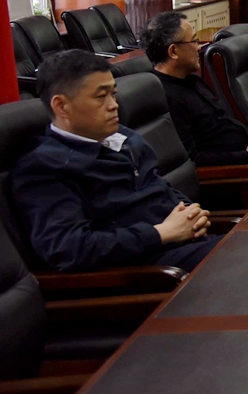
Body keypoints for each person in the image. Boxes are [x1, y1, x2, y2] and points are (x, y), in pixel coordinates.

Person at [11, 50, 220, 273]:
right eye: (101, 97)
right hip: (147, 270)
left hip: (187, 243)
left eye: (113, 94)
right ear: (61, 106)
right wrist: (160, 233)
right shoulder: (44, 167)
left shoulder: (123, 136)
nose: (114, 105)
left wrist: (191, 214)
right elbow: (68, 249)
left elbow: (158, 186)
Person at [144, 12, 248, 172]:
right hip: (242, 172)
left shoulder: (192, 81)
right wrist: (247, 155)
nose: (199, 47)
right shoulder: (166, 98)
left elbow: (226, 122)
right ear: (173, 51)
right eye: (194, 41)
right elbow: (193, 161)